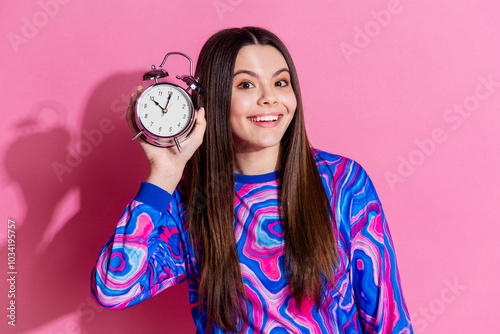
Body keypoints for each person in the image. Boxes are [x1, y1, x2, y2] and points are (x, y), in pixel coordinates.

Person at [91, 26, 413, 333]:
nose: (269, 99)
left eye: (281, 83)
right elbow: (113, 288)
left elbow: (388, 318)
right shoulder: (190, 204)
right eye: (246, 85)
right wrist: (165, 173)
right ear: (215, 100)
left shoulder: (343, 182)